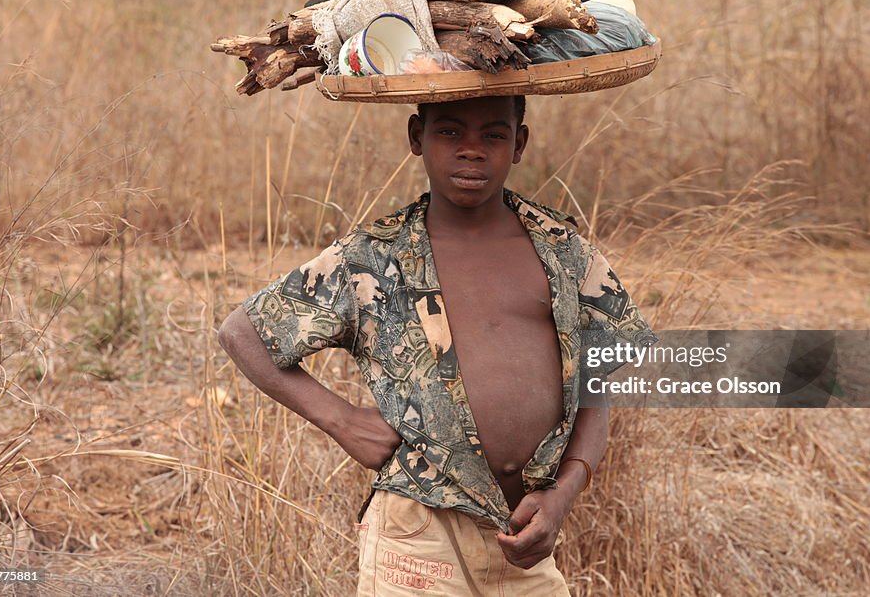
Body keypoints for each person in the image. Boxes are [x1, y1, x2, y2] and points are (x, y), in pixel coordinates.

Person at [218, 95, 657, 595]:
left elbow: (597, 380)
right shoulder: (372, 258)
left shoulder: (562, 249)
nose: (472, 150)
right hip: (419, 530)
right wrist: (342, 420)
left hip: (525, 530)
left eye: (493, 134)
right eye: (449, 132)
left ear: (520, 143)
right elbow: (243, 332)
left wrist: (564, 489)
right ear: (415, 137)